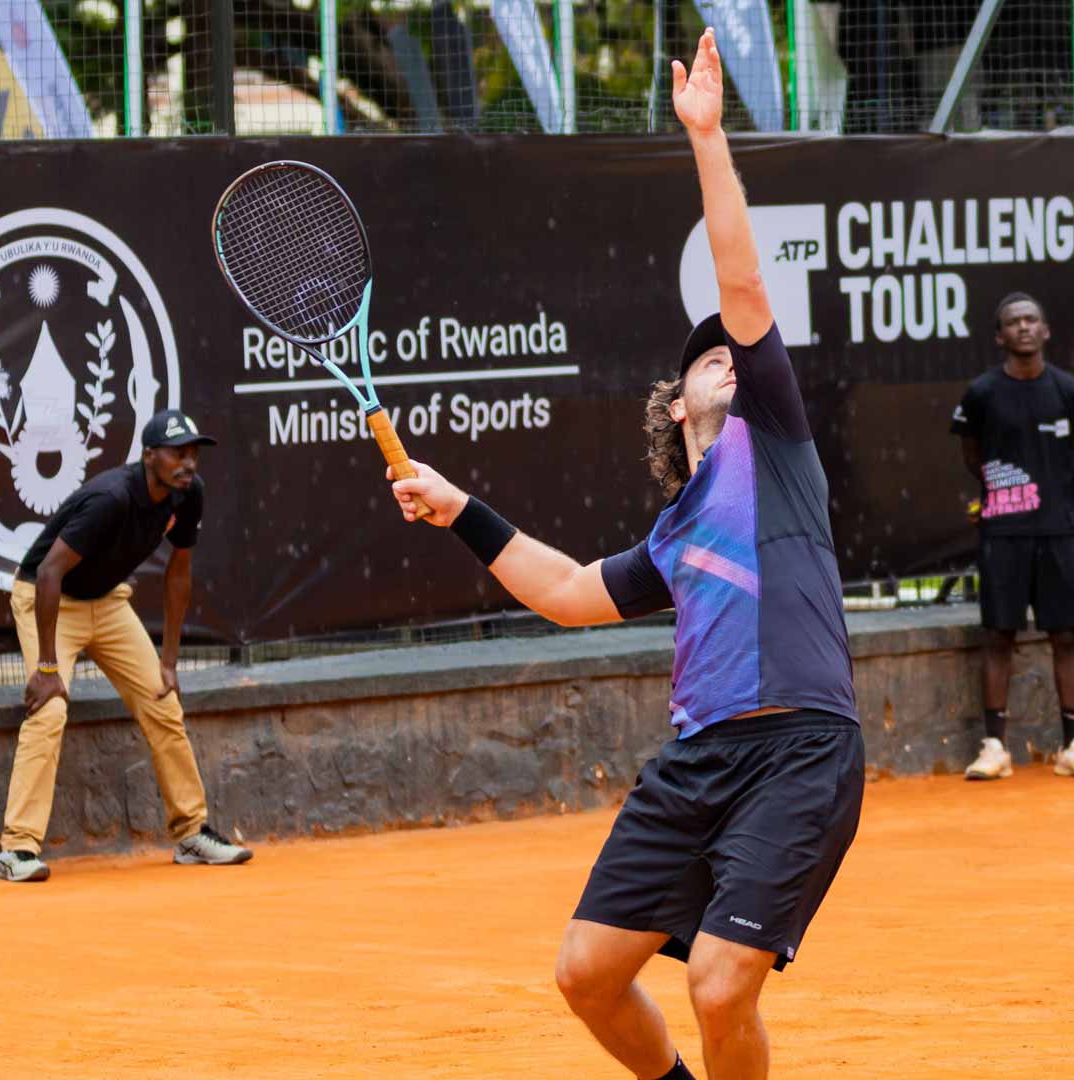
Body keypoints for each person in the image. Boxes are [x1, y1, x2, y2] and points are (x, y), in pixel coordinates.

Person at [388, 30, 862, 1080]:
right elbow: (562, 591)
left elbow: (741, 284)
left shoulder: (776, 445)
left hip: (800, 751)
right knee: (588, 976)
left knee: (718, 981)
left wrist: (708, 139)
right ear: (676, 399)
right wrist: (461, 505)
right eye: (709, 359)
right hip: (696, 765)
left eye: (738, 351)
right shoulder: (676, 535)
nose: (731, 359)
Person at [0, 408, 252, 883]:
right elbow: (49, 571)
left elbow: (179, 572)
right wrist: (47, 666)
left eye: (193, 453)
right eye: (178, 453)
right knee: (49, 709)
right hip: (47, 597)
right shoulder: (111, 498)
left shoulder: (188, 494)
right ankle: (18, 849)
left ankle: (192, 833)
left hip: (108, 601)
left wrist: (169, 661)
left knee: (162, 699)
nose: (188, 463)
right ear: (149, 456)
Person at [950, 292, 1074, 783]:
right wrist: (1005, 495)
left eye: (1031, 319)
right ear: (999, 336)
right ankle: (994, 747)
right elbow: (972, 456)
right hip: (1004, 531)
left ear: (1046, 330)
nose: (1022, 327)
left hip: (1059, 529)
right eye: (1013, 322)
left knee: (1066, 635)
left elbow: (1073, 450)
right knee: (999, 634)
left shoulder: (1070, 391)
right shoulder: (980, 394)